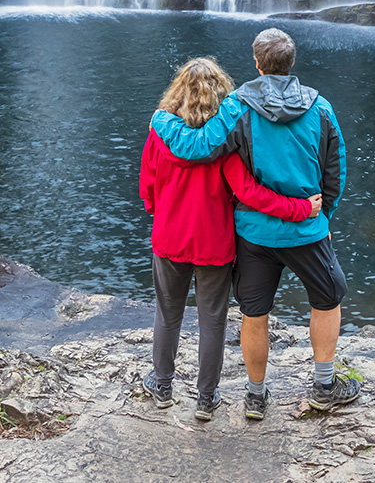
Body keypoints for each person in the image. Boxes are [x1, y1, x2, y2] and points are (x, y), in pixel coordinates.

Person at [149, 28, 355, 421]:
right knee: (328, 299)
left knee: (253, 312)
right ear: (291, 63)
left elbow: (197, 147)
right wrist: (323, 214)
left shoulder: (238, 107)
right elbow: (336, 170)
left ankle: (255, 397)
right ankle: (325, 386)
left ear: (257, 63)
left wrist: (161, 121)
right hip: (306, 229)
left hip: (253, 233)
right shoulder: (322, 107)